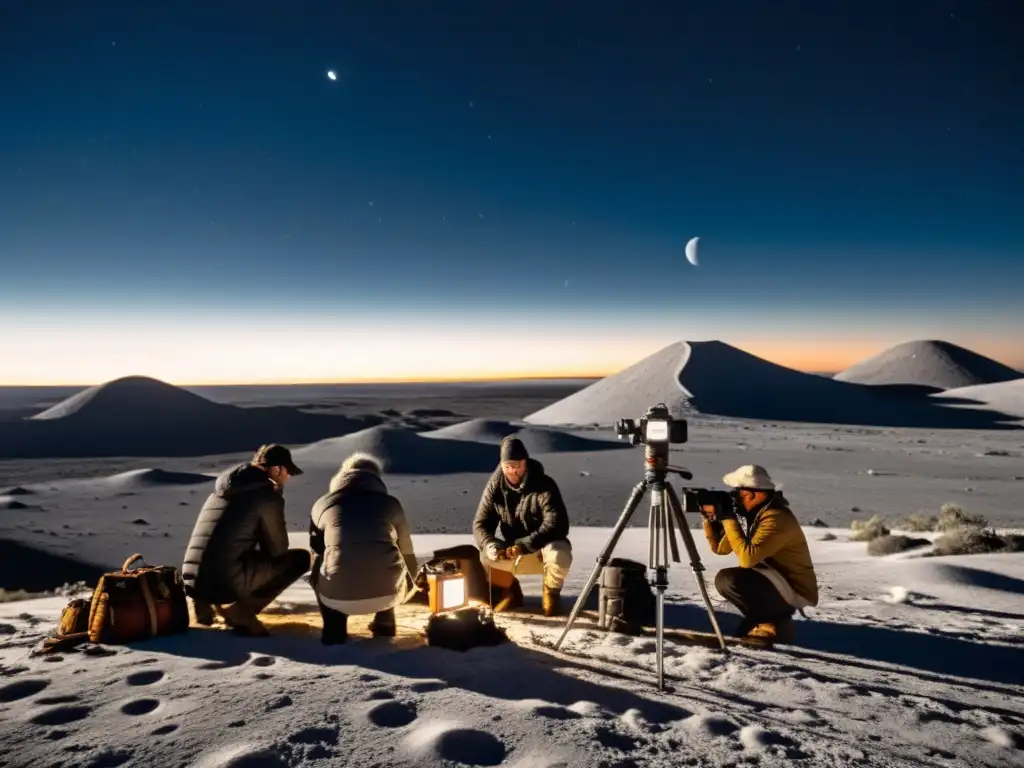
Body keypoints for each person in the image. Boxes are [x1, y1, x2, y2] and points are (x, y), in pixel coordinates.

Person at [181, 444, 311, 637]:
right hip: (224, 581)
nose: (288, 477)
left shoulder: (221, 491)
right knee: (299, 559)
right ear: (276, 469)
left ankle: (206, 605)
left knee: (227, 553)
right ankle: (243, 610)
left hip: (193, 581)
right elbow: (277, 549)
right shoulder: (266, 496)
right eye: (288, 472)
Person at [701, 464, 819, 646]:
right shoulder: (755, 515)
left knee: (729, 579)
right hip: (775, 580)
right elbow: (720, 549)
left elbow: (747, 559)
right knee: (727, 579)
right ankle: (766, 622)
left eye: (739, 493)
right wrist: (711, 521)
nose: (736, 498)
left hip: (794, 588)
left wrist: (729, 519)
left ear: (754, 494)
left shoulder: (776, 518)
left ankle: (769, 624)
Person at [308, 452, 418, 644]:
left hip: (336, 597)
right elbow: (407, 552)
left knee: (322, 558)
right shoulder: (390, 504)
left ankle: (334, 627)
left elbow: (315, 546)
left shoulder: (322, 504)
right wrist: (412, 583)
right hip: (389, 595)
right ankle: (385, 620)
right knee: (390, 554)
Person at [473, 436, 572, 616]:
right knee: (485, 557)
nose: (513, 471)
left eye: (517, 466)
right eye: (508, 467)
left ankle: (551, 593)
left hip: (542, 548)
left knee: (560, 555)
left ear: (525, 463)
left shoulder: (544, 485)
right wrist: (491, 544)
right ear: (502, 465)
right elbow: (481, 524)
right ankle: (510, 591)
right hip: (514, 551)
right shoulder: (495, 488)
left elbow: (556, 524)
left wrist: (525, 545)